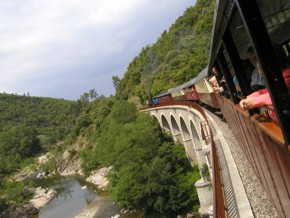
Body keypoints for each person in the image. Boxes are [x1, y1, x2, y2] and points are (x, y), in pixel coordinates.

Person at [240, 46, 290, 122]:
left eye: (261, 69)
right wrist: (248, 98)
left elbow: (280, 95)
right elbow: (266, 91)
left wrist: (254, 101)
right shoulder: (278, 79)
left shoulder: (287, 75)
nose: (259, 73)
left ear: (270, 65)